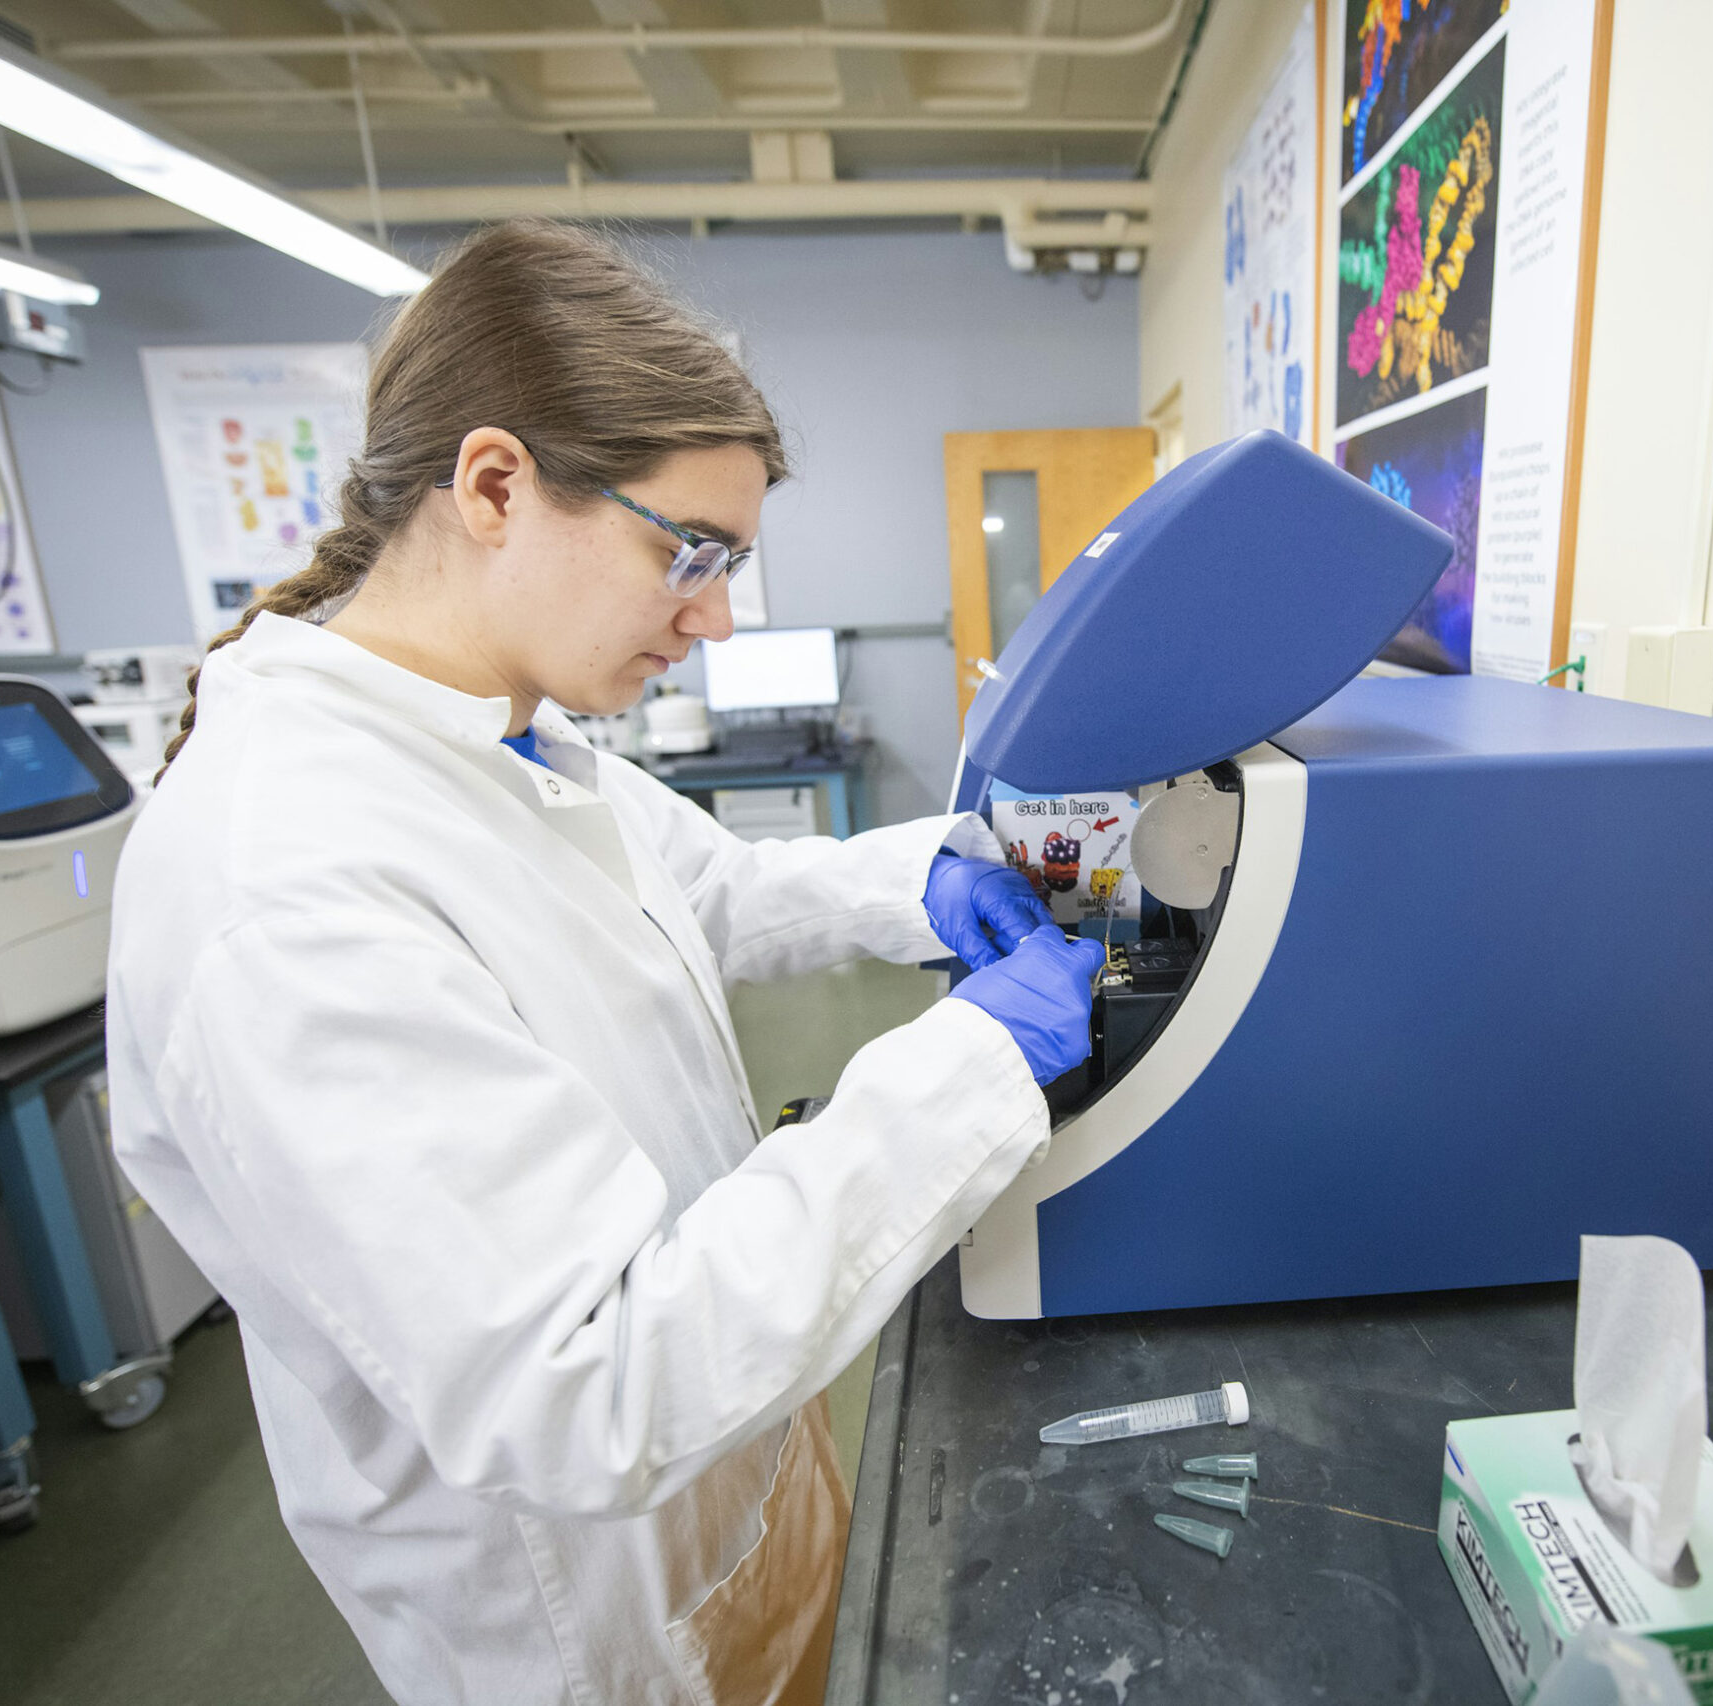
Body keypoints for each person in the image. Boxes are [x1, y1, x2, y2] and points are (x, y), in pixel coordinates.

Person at [106, 220, 1107, 1706]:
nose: (710, 618)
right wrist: (969, 1062)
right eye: (685, 553)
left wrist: (932, 880)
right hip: (598, 1619)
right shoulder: (284, 881)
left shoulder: (504, 723)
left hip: (740, 1469)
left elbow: (710, 889)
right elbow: (591, 1381)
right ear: (496, 484)